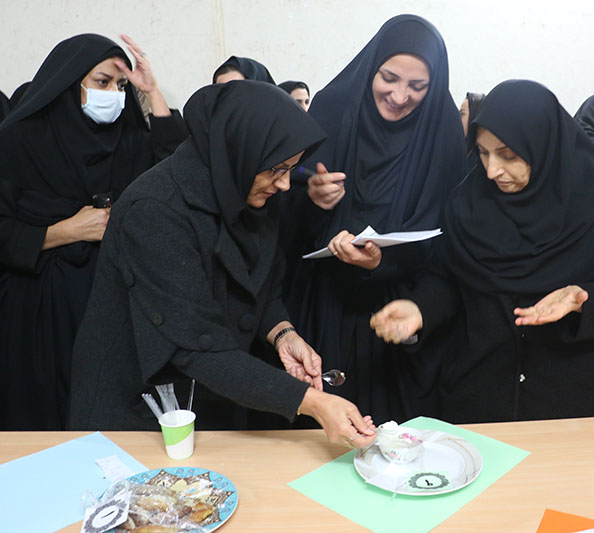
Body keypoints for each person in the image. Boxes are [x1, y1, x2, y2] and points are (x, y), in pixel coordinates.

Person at [69, 81, 377, 449]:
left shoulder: (247, 190)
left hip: (208, 396)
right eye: (276, 169)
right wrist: (313, 403)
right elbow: (194, 344)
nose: (283, 185)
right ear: (240, 152)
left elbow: (261, 287)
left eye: (290, 170)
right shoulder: (153, 210)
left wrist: (283, 334)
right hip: (135, 407)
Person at [370, 80, 594, 423]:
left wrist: (585, 299)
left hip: (574, 397)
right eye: (482, 152)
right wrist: (421, 309)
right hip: (480, 389)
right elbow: (447, 279)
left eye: (508, 155)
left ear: (543, 146)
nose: (492, 171)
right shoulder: (466, 202)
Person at [284, 14, 467, 423]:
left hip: (399, 309)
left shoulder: (442, 132)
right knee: (323, 429)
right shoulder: (332, 111)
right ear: (371, 67)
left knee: (393, 431)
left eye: (418, 86)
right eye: (389, 78)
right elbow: (281, 217)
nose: (400, 96)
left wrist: (384, 262)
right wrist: (314, 199)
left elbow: (452, 241)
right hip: (324, 303)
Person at [0, 33, 187, 430]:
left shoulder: (128, 140)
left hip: (113, 303)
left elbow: (179, 173)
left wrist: (151, 92)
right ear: (68, 83)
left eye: (120, 85)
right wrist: (64, 231)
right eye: (102, 82)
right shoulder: (17, 141)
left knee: (113, 416)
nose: (113, 94)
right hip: (41, 310)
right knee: (46, 420)